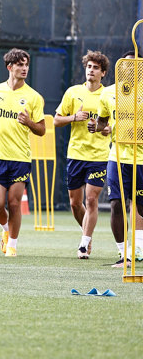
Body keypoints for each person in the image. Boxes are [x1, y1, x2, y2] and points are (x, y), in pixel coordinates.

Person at [0, 48, 45, 257]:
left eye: (26, 65)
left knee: (14, 203)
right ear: (10, 67)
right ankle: (6, 231)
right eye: (20, 65)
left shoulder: (34, 97)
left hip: (20, 158)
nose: (24, 68)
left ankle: (13, 246)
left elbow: (42, 129)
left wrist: (30, 122)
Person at [53, 50, 110, 259]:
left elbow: (114, 125)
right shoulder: (73, 92)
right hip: (76, 154)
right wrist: (74, 117)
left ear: (103, 73)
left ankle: (84, 244)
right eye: (89, 67)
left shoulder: (108, 95)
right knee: (75, 203)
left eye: (96, 68)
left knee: (91, 199)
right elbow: (56, 120)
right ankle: (88, 232)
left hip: (99, 156)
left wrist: (105, 129)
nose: (91, 71)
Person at [89, 50, 143, 266]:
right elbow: (103, 121)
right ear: (121, 67)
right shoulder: (108, 93)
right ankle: (124, 255)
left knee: (141, 205)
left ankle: (139, 246)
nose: (130, 68)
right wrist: (97, 126)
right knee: (116, 204)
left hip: (141, 159)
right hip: (117, 156)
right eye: (127, 65)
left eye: (136, 65)